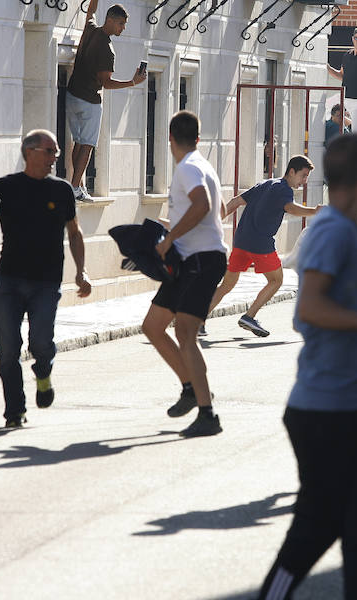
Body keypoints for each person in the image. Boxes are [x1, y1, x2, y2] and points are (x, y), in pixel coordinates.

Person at [257, 133, 357, 600]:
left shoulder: (349, 230)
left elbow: (337, 313)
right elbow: (309, 308)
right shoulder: (332, 230)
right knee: (319, 525)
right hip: (327, 410)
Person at [0, 130, 92, 428]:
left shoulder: (62, 190)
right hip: (9, 282)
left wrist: (81, 271)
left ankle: (43, 373)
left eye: (56, 152)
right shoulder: (7, 185)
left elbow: (74, 232)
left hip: (46, 282)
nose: (55, 157)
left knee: (41, 343)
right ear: (29, 152)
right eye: (50, 151)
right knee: (7, 351)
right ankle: (14, 411)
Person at [142, 111, 228, 438]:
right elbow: (216, 210)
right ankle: (191, 388)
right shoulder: (202, 164)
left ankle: (208, 414)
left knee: (187, 333)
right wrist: (171, 227)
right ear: (197, 137)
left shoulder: (188, 167)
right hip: (193, 258)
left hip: (201, 260)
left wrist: (170, 238)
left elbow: (203, 204)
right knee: (152, 326)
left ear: (169, 138)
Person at [209, 156, 317, 337]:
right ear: (292, 172)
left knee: (226, 284)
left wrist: (215, 222)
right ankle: (249, 316)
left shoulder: (265, 184)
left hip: (241, 240)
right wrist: (314, 211)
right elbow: (291, 208)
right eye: (303, 176)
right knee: (276, 280)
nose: (304, 181)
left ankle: (197, 320)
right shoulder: (284, 189)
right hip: (260, 244)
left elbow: (236, 201)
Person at [66, 1, 146, 202]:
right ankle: (75, 186)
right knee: (87, 145)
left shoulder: (90, 28)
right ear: (110, 20)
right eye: (120, 23)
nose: (123, 28)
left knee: (79, 142)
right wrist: (132, 82)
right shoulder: (107, 49)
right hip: (90, 100)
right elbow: (106, 83)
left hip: (72, 95)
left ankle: (77, 184)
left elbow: (90, 11)